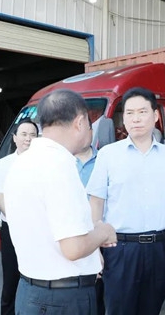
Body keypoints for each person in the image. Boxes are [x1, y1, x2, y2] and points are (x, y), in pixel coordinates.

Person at [5, 89, 117, 315]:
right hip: (62, 300)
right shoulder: (59, 166)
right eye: (89, 125)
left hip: (31, 291)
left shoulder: (20, 162)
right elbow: (73, 247)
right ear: (80, 122)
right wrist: (103, 232)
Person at [86, 87, 165, 315]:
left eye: (142, 112)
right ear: (123, 118)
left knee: (152, 308)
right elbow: (96, 203)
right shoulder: (108, 155)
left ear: (155, 116)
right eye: (129, 113)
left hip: (160, 248)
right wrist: (93, 248)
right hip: (119, 249)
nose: (135, 119)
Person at [0, 120, 38, 315]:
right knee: (11, 278)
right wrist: (18, 219)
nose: (28, 138)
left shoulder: (43, 163)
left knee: (36, 277)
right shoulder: (4, 164)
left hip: (38, 228)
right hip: (13, 227)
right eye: (24, 134)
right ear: (14, 138)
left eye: (33, 134)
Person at [74, 123, 105, 315]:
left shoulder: (105, 160)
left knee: (100, 293)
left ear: (92, 132)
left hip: (103, 232)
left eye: (85, 129)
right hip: (74, 234)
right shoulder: (63, 162)